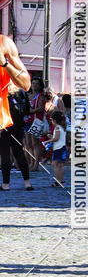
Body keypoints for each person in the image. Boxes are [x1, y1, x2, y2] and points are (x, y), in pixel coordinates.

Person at [0, 35, 31, 176]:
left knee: (10, 152)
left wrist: (5, 63)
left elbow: (26, 84)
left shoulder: (4, 43)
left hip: (3, 120)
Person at [0, 81, 32, 190]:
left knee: (5, 154)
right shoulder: (22, 93)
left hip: (4, 127)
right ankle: (27, 183)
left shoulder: (3, 93)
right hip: (18, 127)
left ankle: (6, 184)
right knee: (19, 153)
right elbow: (28, 111)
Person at [43, 110, 68, 187]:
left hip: (58, 149)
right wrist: (52, 137)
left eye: (51, 120)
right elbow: (58, 137)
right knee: (60, 165)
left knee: (55, 165)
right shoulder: (62, 127)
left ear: (54, 120)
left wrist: (47, 141)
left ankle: (58, 180)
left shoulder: (57, 127)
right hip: (62, 148)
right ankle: (61, 180)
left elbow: (56, 139)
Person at [24, 75, 44, 171]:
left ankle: (36, 164)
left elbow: (41, 108)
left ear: (40, 86)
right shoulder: (28, 96)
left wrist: (29, 111)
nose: (34, 85)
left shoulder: (41, 95)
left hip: (36, 121)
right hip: (27, 120)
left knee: (35, 143)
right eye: (33, 83)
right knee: (28, 143)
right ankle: (31, 162)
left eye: (37, 84)